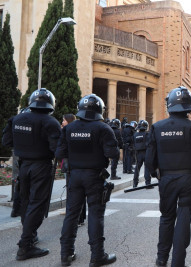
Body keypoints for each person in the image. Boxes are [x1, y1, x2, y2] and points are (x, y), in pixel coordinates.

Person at [146, 86, 191, 267]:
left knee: (166, 218)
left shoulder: (157, 128)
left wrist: (156, 175)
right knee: (183, 218)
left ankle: (161, 258)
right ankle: (178, 262)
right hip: (188, 180)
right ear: (189, 107)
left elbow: (150, 160)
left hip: (166, 180)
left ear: (170, 105)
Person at [57, 94, 119, 267]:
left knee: (71, 214)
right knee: (95, 215)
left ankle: (65, 254)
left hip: (74, 176)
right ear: (99, 109)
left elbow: (59, 153)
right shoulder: (103, 128)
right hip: (95, 177)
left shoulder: (68, 128)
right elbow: (113, 154)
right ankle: (97, 256)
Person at [2, 88, 61, 260]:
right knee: (37, 204)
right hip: (41, 166)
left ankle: (31, 235)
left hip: (23, 165)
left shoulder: (16, 119)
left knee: (26, 202)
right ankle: (25, 245)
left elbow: (6, 141)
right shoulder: (50, 122)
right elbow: (56, 149)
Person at [132, 120, 151, 188]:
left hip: (138, 154)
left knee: (137, 169)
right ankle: (148, 184)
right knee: (147, 168)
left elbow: (133, 144)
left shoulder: (135, 135)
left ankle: (135, 184)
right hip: (146, 152)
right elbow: (150, 144)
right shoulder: (147, 134)